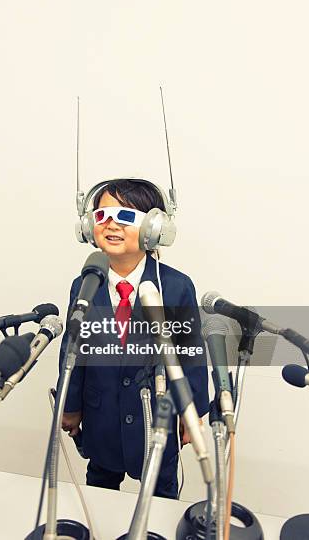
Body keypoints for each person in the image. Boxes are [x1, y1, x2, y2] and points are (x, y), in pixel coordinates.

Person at [59, 178, 209, 499]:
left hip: (156, 421)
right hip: (102, 421)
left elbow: (191, 354)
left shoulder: (176, 287)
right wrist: (70, 406)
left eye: (125, 217)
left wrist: (191, 412)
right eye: (101, 216)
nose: (110, 224)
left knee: (159, 501)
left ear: (154, 227)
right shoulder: (85, 284)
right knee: (99, 495)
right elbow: (73, 350)